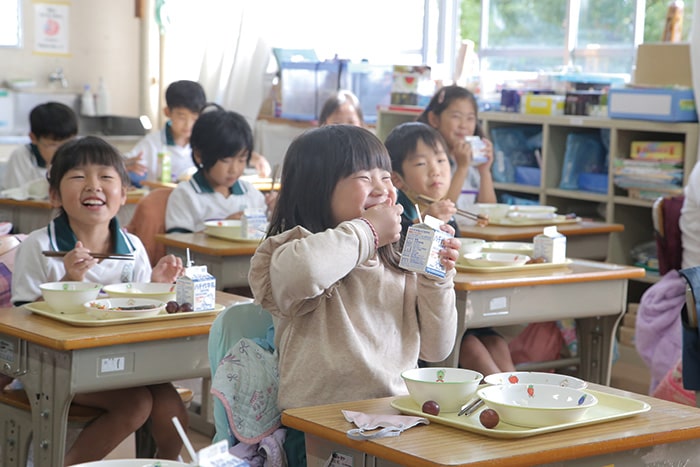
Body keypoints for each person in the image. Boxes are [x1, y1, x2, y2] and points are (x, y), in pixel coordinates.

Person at [248, 124, 460, 464]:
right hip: (320, 430)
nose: (381, 188)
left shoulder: (400, 260)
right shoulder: (292, 250)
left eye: (387, 177)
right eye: (364, 177)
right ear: (318, 188)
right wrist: (370, 230)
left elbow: (437, 349)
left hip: (396, 421)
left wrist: (437, 278)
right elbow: (310, 271)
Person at [10, 136, 187, 465]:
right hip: (51, 364)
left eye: (106, 177)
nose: (93, 185)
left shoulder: (132, 247)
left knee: (170, 405)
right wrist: (67, 282)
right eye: (78, 177)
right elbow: (22, 317)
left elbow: (140, 308)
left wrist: (157, 287)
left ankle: (166, 461)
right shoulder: (39, 245)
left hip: (124, 359)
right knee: (135, 404)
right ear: (54, 195)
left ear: (123, 194)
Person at [385, 121, 515, 378]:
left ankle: (518, 398)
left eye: (442, 161)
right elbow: (407, 262)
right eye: (422, 164)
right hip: (419, 323)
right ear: (397, 179)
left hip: (451, 311)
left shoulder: (443, 212)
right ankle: (505, 399)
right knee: (471, 347)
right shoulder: (396, 217)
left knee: (497, 343)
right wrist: (431, 223)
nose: (436, 171)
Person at [125, 80, 270, 186]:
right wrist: (126, 165)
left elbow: (227, 152)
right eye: (182, 117)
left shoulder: (208, 140)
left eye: (195, 118)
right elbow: (121, 164)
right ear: (167, 112)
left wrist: (255, 158)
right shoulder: (152, 143)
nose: (188, 125)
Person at [165, 105, 273, 233]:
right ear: (199, 155)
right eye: (225, 160)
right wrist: (223, 227)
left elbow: (267, 234)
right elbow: (177, 243)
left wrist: (275, 210)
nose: (234, 169)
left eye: (241, 160)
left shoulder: (250, 194)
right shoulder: (186, 195)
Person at [416, 85, 496, 209]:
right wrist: (462, 168)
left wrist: (484, 171)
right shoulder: (428, 162)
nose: (463, 125)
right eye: (456, 117)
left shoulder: (472, 162)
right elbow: (441, 210)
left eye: (470, 118)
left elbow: (489, 212)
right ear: (434, 119)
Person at [2, 101, 77, 191]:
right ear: (33, 138)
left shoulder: (80, 155)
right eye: (53, 145)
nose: (62, 151)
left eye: (68, 144)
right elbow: (16, 196)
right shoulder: (22, 156)